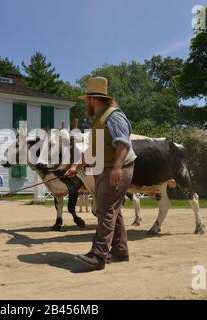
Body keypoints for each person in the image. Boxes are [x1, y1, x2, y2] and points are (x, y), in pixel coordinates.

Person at [65, 76, 137, 270]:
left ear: (93, 99)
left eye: (87, 99)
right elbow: (93, 149)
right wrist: (76, 166)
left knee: (104, 210)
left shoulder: (113, 116)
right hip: (106, 168)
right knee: (113, 209)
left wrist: (116, 168)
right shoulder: (98, 118)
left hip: (117, 169)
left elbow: (123, 142)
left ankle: (98, 255)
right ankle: (120, 251)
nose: (86, 103)